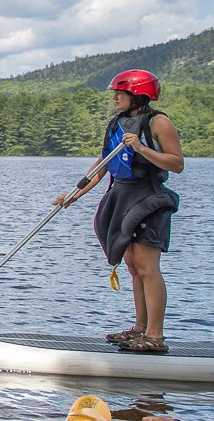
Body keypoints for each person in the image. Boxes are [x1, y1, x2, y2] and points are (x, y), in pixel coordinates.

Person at [54, 69, 184, 355]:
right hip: (121, 197)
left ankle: (155, 334)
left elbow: (176, 163)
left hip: (148, 198)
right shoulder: (117, 124)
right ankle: (140, 328)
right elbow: (101, 166)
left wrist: (140, 147)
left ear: (138, 94)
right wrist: (73, 195)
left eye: (119, 93)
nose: (114, 97)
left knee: (148, 268)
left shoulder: (158, 122)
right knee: (133, 267)